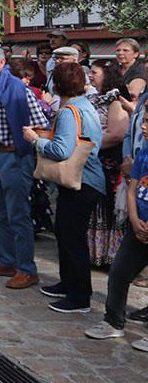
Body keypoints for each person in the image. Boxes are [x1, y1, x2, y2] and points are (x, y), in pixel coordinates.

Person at [22, 62, 105, 313]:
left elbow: (62, 150)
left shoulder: (69, 111)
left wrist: (36, 141)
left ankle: (79, 297)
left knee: (72, 238)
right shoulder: (84, 105)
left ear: (56, 84)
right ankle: (68, 284)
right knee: (66, 233)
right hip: (87, 180)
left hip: (82, 181)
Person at [0, 43, 48, 290]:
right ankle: (7, 260)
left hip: (13, 157)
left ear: (2, 62)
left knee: (18, 214)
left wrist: (26, 152)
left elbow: (40, 124)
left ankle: (26, 269)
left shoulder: (17, 88)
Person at [84, 99, 148, 352]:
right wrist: (133, 218)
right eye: (143, 120)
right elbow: (133, 187)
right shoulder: (143, 153)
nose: (144, 127)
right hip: (138, 225)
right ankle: (113, 320)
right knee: (119, 272)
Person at [87, 59, 130, 267]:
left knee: (107, 208)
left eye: (94, 72)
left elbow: (116, 134)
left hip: (109, 161)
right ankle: (96, 253)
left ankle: (109, 255)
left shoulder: (116, 98)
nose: (90, 75)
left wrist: (85, 146)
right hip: (94, 160)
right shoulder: (94, 96)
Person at [116, 38, 146, 109]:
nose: (120, 53)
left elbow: (131, 95)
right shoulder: (116, 68)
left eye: (125, 50)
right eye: (118, 50)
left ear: (135, 54)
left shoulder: (140, 71)